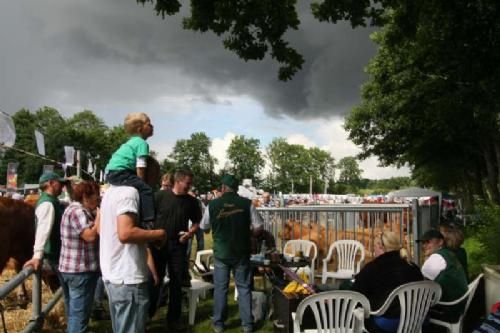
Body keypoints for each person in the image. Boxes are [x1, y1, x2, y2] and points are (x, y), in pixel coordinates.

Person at [99, 157, 166, 333]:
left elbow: (102, 229)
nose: (154, 182)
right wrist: (158, 234)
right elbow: (126, 233)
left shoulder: (110, 192)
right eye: (155, 176)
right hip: (127, 277)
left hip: (114, 275)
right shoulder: (130, 193)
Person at [200, 174, 263, 333]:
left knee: (221, 288)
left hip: (221, 253)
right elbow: (258, 228)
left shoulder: (212, 205)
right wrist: (250, 234)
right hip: (241, 252)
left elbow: (204, 227)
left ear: (222, 187)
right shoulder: (247, 204)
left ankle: (219, 324)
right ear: (236, 188)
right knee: (244, 288)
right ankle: (247, 325)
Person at [151, 168, 202, 330]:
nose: (190, 186)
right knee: (155, 280)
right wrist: (152, 235)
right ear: (178, 181)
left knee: (176, 283)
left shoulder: (192, 201)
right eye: (188, 183)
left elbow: (196, 223)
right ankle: (148, 313)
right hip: (158, 245)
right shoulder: (159, 197)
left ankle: (173, 320)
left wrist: (189, 234)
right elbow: (149, 218)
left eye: (191, 183)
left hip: (179, 245)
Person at [350, 231, 424, 333]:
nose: (373, 250)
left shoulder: (373, 268)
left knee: (353, 311)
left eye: (374, 247)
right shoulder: (413, 266)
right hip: (416, 320)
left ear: (381, 247)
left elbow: (355, 294)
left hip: (387, 323)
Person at [58, 180, 101, 333]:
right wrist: (99, 219)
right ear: (85, 196)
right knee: (79, 315)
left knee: (74, 313)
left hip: (72, 269)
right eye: (96, 195)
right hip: (79, 271)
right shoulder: (77, 211)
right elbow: (89, 236)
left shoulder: (74, 210)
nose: (98, 199)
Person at [105, 112, 155, 229]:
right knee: (146, 190)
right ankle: (148, 221)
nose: (152, 126)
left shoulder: (130, 142)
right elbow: (141, 166)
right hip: (121, 172)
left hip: (111, 172)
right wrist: (141, 182)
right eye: (149, 124)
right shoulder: (141, 143)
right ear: (140, 128)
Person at [24, 172, 68, 292]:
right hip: (53, 255)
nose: (62, 187)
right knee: (66, 292)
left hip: (55, 254)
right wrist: (37, 255)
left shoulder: (51, 201)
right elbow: (43, 230)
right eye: (60, 184)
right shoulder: (47, 204)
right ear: (51, 183)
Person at [419, 229, 468, 323]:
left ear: (440, 242)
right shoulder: (448, 253)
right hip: (459, 305)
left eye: (428, 242)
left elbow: (421, 286)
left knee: (411, 307)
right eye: (423, 243)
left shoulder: (436, 258)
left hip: (449, 309)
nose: (424, 246)